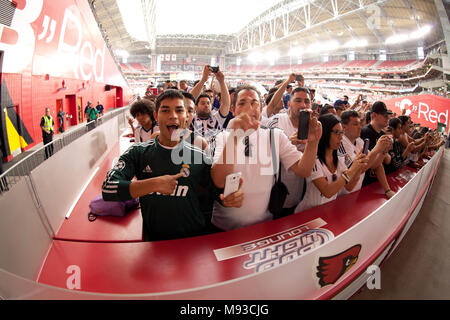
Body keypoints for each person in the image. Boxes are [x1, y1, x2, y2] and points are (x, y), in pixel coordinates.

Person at [102, 89, 243, 241]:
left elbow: (218, 193)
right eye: (165, 110)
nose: (173, 115)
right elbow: (108, 188)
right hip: (154, 241)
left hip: (192, 241)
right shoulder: (138, 153)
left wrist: (231, 197)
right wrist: (154, 184)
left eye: (179, 110)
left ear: (186, 116)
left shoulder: (198, 156)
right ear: (155, 115)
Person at [210, 84, 322, 231]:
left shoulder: (275, 136)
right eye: (242, 103)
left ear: (261, 108)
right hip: (224, 227)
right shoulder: (223, 137)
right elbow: (218, 180)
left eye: (254, 103)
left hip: (263, 225)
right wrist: (235, 137)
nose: (249, 108)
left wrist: (313, 142)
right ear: (233, 110)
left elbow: (303, 170)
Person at [295, 114, 368, 213]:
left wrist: (358, 166)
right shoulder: (312, 160)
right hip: (306, 214)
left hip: (326, 212)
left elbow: (349, 186)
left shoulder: (339, 159)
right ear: (324, 133)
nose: (341, 137)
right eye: (337, 132)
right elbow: (327, 191)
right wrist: (352, 169)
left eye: (342, 133)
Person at [264, 74, 312, 216]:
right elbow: (264, 155)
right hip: (274, 194)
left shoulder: (314, 127)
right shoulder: (276, 121)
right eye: (298, 100)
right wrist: (288, 143)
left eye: (307, 101)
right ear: (289, 103)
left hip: (300, 194)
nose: (303, 105)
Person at [338, 110, 392, 195]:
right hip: (343, 196)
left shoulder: (359, 141)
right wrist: (376, 149)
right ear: (344, 127)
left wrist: (383, 151)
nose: (360, 127)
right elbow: (356, 171)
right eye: (355, 124)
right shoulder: (341, 144)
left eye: (360, 123)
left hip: (356, 192)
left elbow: (373, 165)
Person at [360, 101, 396, 199]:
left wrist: (384, 152)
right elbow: (365, 164)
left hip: (374, 183)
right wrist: (380, 151)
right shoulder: (364, 132)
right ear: (374, 115)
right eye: (384, 115)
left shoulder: (382, 135)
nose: (388, 118)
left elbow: (384, 162)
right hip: (361, 185)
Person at [189, 65, 230, 142]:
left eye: (208, 103)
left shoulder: (217, 118)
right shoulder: (190, 119)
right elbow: (189, 100)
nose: (206, 105)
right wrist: (203, 80)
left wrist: (221, 81)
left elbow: (226, 104)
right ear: (196, 107)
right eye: (203, 103)